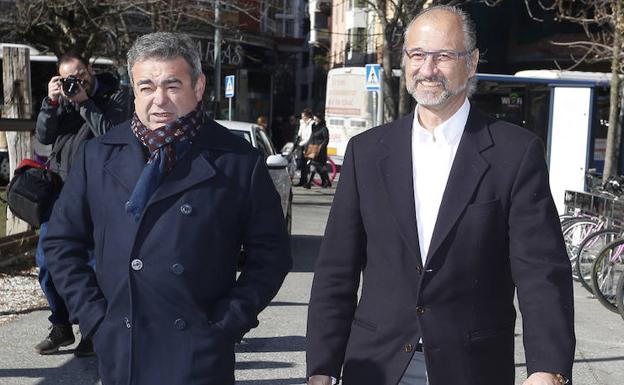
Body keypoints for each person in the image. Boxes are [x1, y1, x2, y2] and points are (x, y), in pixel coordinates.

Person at [306, 6, 574, 385]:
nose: (428, 68)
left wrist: (547, 369)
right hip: (376, 366)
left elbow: (541, 273)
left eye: (443, 55)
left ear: (472, 62)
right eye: (417, 54)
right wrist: (321, 367)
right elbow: (337, 270)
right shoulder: (366, 152)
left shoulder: (515, 154)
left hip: (472, 368)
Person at [44, 32, 292, 385]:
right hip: (122, 350)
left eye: (172, 85)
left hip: (199, 355)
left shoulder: (239, 162)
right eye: (146, 87)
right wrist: (96, 317)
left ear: (199, 86)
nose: (159, 100)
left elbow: (272, 255)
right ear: (133, 88)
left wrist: (227, 322)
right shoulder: (97, 155)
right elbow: (61, 242)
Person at [33, 50, 131, 356]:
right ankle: (61, 324)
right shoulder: (60, 98)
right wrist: (50, 103)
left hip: (99, 191)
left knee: (93, 263)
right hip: (62, 190)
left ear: (89, 70)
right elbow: (43, 137)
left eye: (80, 75)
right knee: (48, 259)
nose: (76, 82)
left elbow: (112, 134)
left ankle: (92, 327)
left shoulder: (117, 95)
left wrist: (85, 102)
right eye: (68, 79)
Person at [304, 114, 331, 189]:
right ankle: (326, 181)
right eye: (314, 118)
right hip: (312, 148)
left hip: (320, 150)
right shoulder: (313, 127)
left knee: (319, 166)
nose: (315, 119)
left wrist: (321, 147)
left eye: (316, 118)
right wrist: (307, 147)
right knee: (315, 165)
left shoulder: (324, 128)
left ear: (320, 119)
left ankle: (323, 181)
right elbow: (311, 137)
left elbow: (326, 139)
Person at [294, 108, 314, 187]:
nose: (302, 118)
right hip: (301, 145)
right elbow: (299, 133)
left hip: (308, 145)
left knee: (307, 164)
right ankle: (302, 180)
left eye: (304, 116)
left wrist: (302, 143)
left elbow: (309, 135)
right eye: (302, 116)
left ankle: (306, 181)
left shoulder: (311, 123)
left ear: (308, 116)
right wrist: (297, 141)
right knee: (302, 163)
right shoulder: (302, 123)